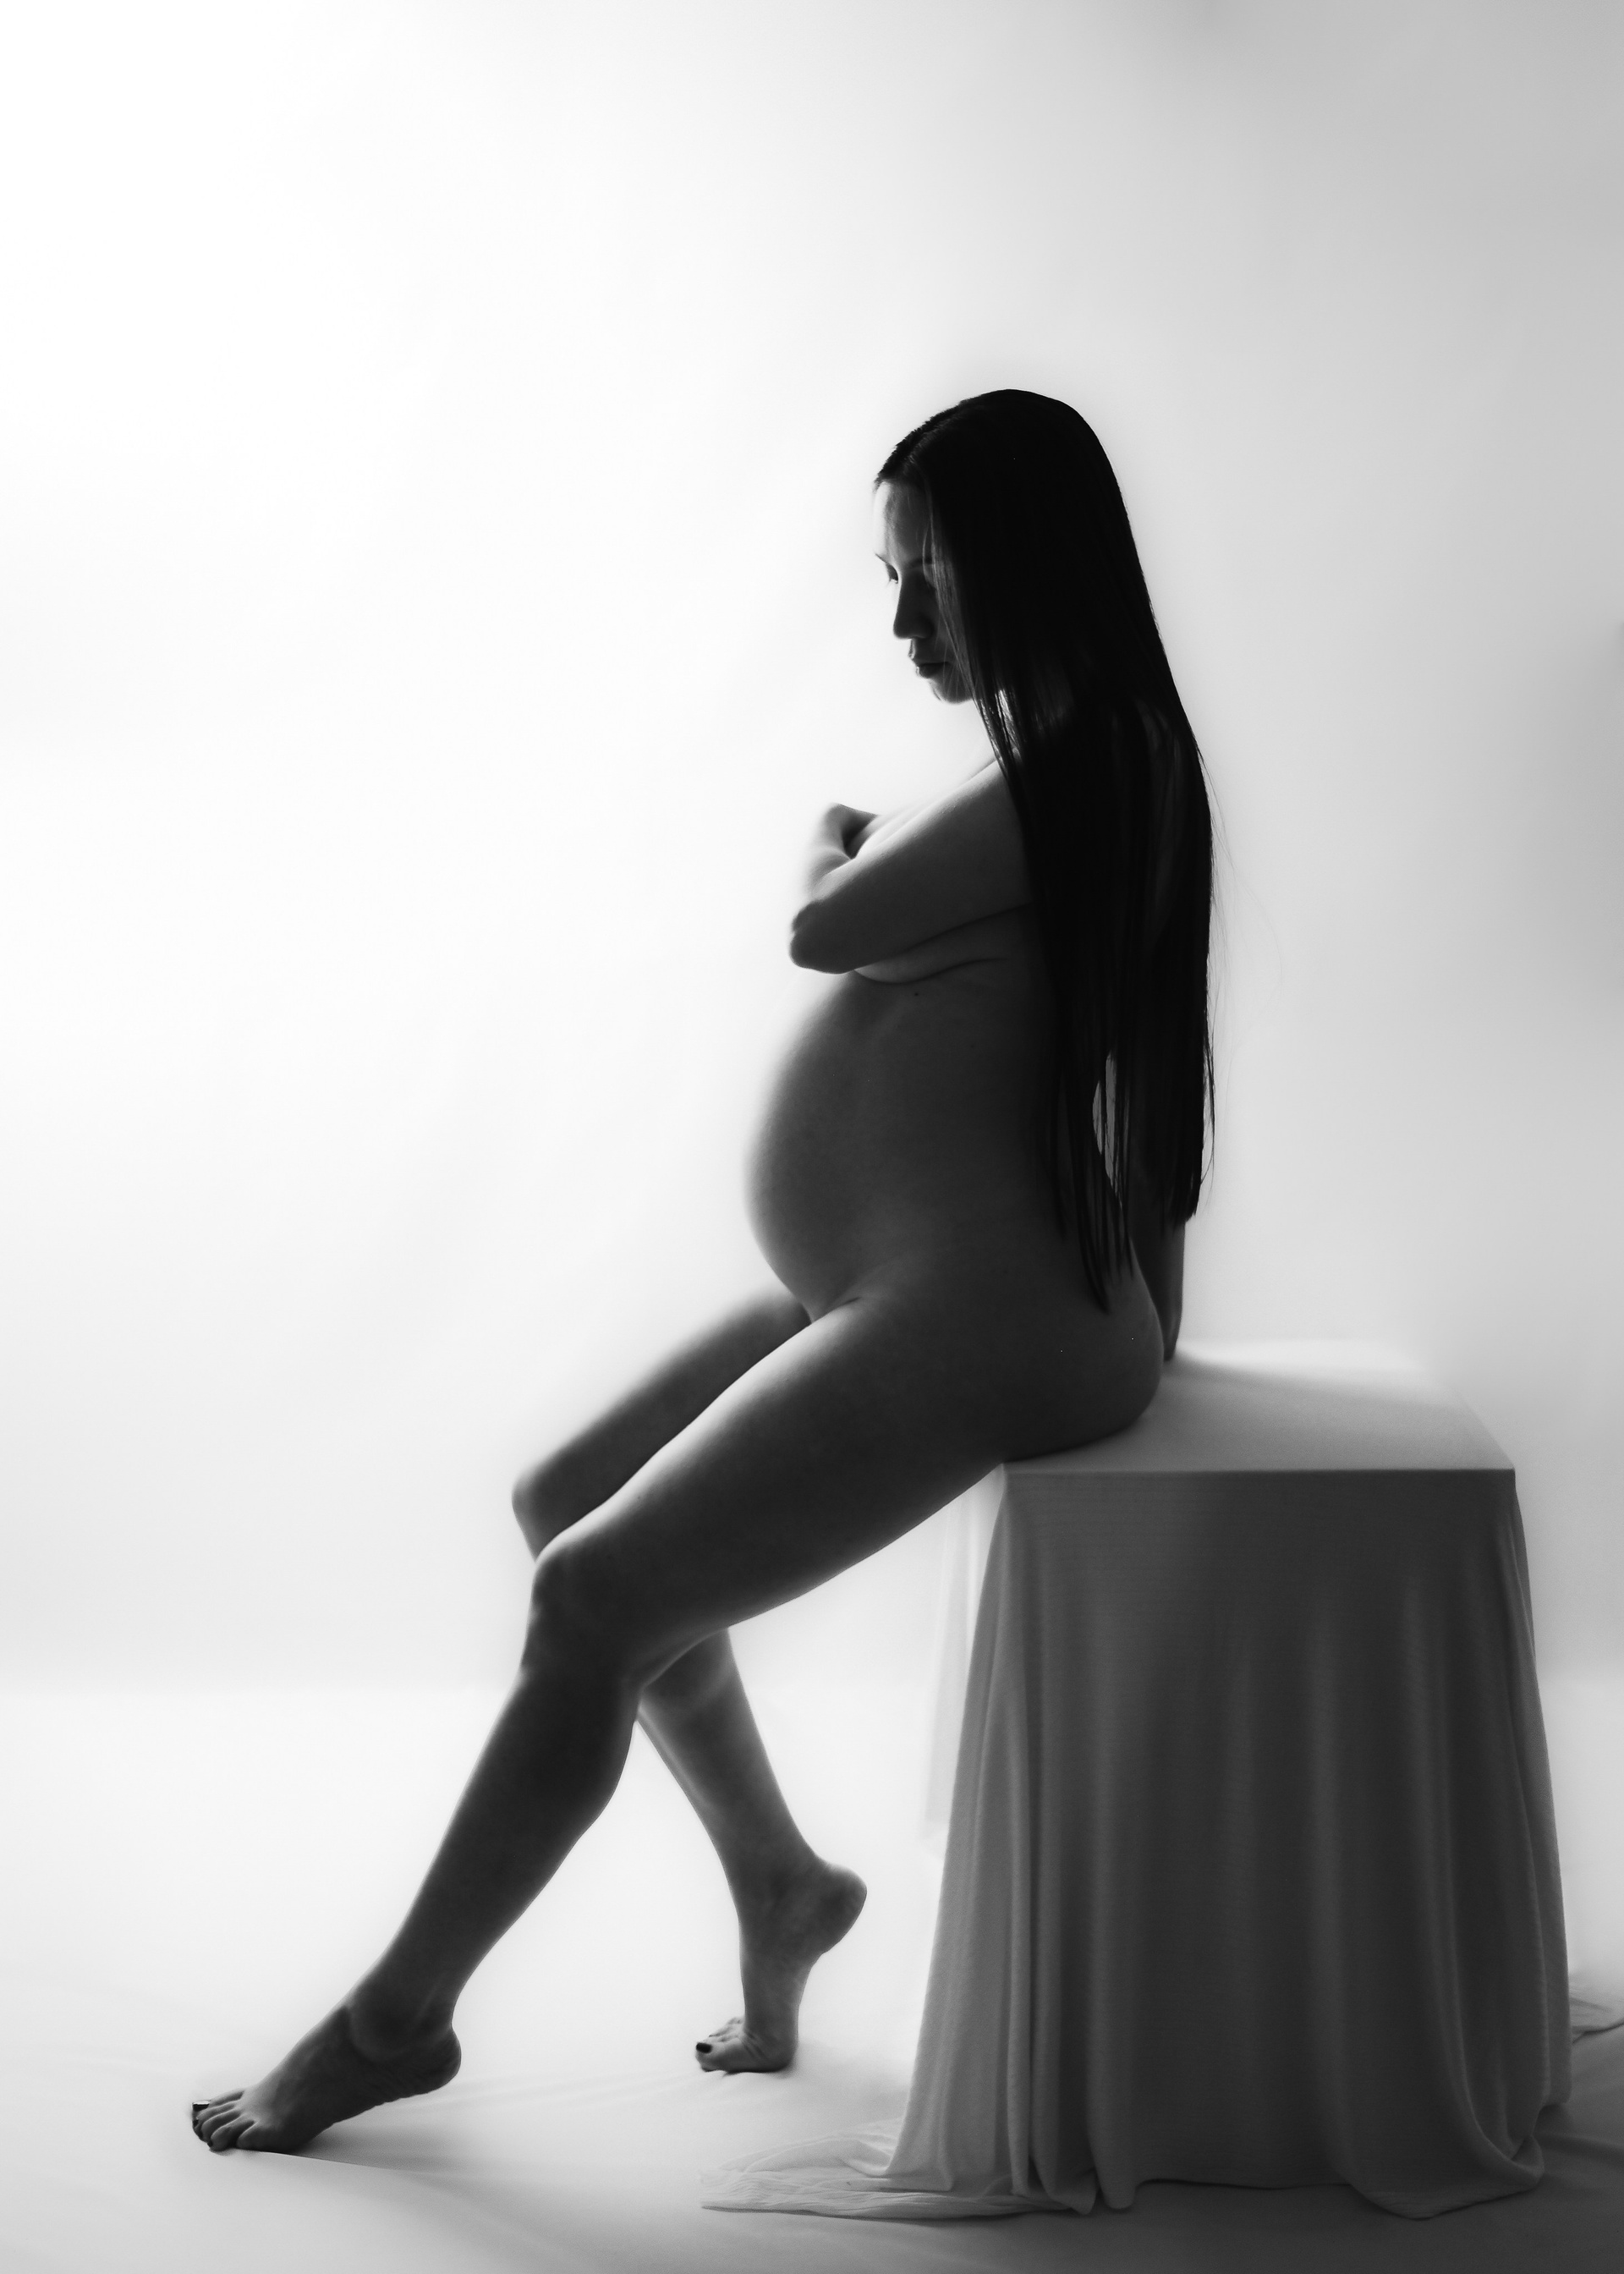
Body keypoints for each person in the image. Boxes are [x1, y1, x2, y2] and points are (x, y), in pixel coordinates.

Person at [191, 387, 1215, 2154]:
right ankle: (782, 1883)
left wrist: (840, 840)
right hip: (923, 1279)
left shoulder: (1086, 762)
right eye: (891, 582)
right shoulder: (1061, 761)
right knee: (567, 1498)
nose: (906, 622)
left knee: (592, 1597)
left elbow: (827, 926)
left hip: (991, 1308)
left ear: (1029, 564)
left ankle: (391, 2025)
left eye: (933, 578)